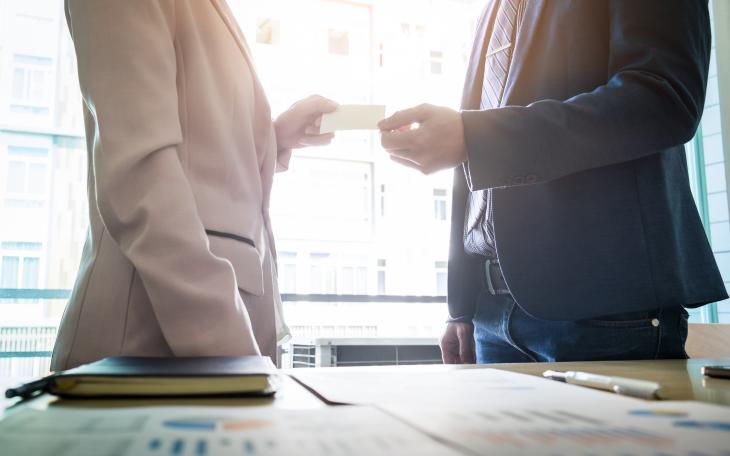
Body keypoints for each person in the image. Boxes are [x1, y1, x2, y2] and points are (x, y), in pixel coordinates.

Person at [378, 0, 726, 364]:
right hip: (490, 312)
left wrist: (475, 135)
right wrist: (461, 306)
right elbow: (478, 149)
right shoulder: (492, 9)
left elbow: (665, 98)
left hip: (603, 307)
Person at [51, 0, 337, 370]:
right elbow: (139, 177)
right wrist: (234, 354)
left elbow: (199, 153)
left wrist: (275, 137)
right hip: (154, 336)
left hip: (212, 338)